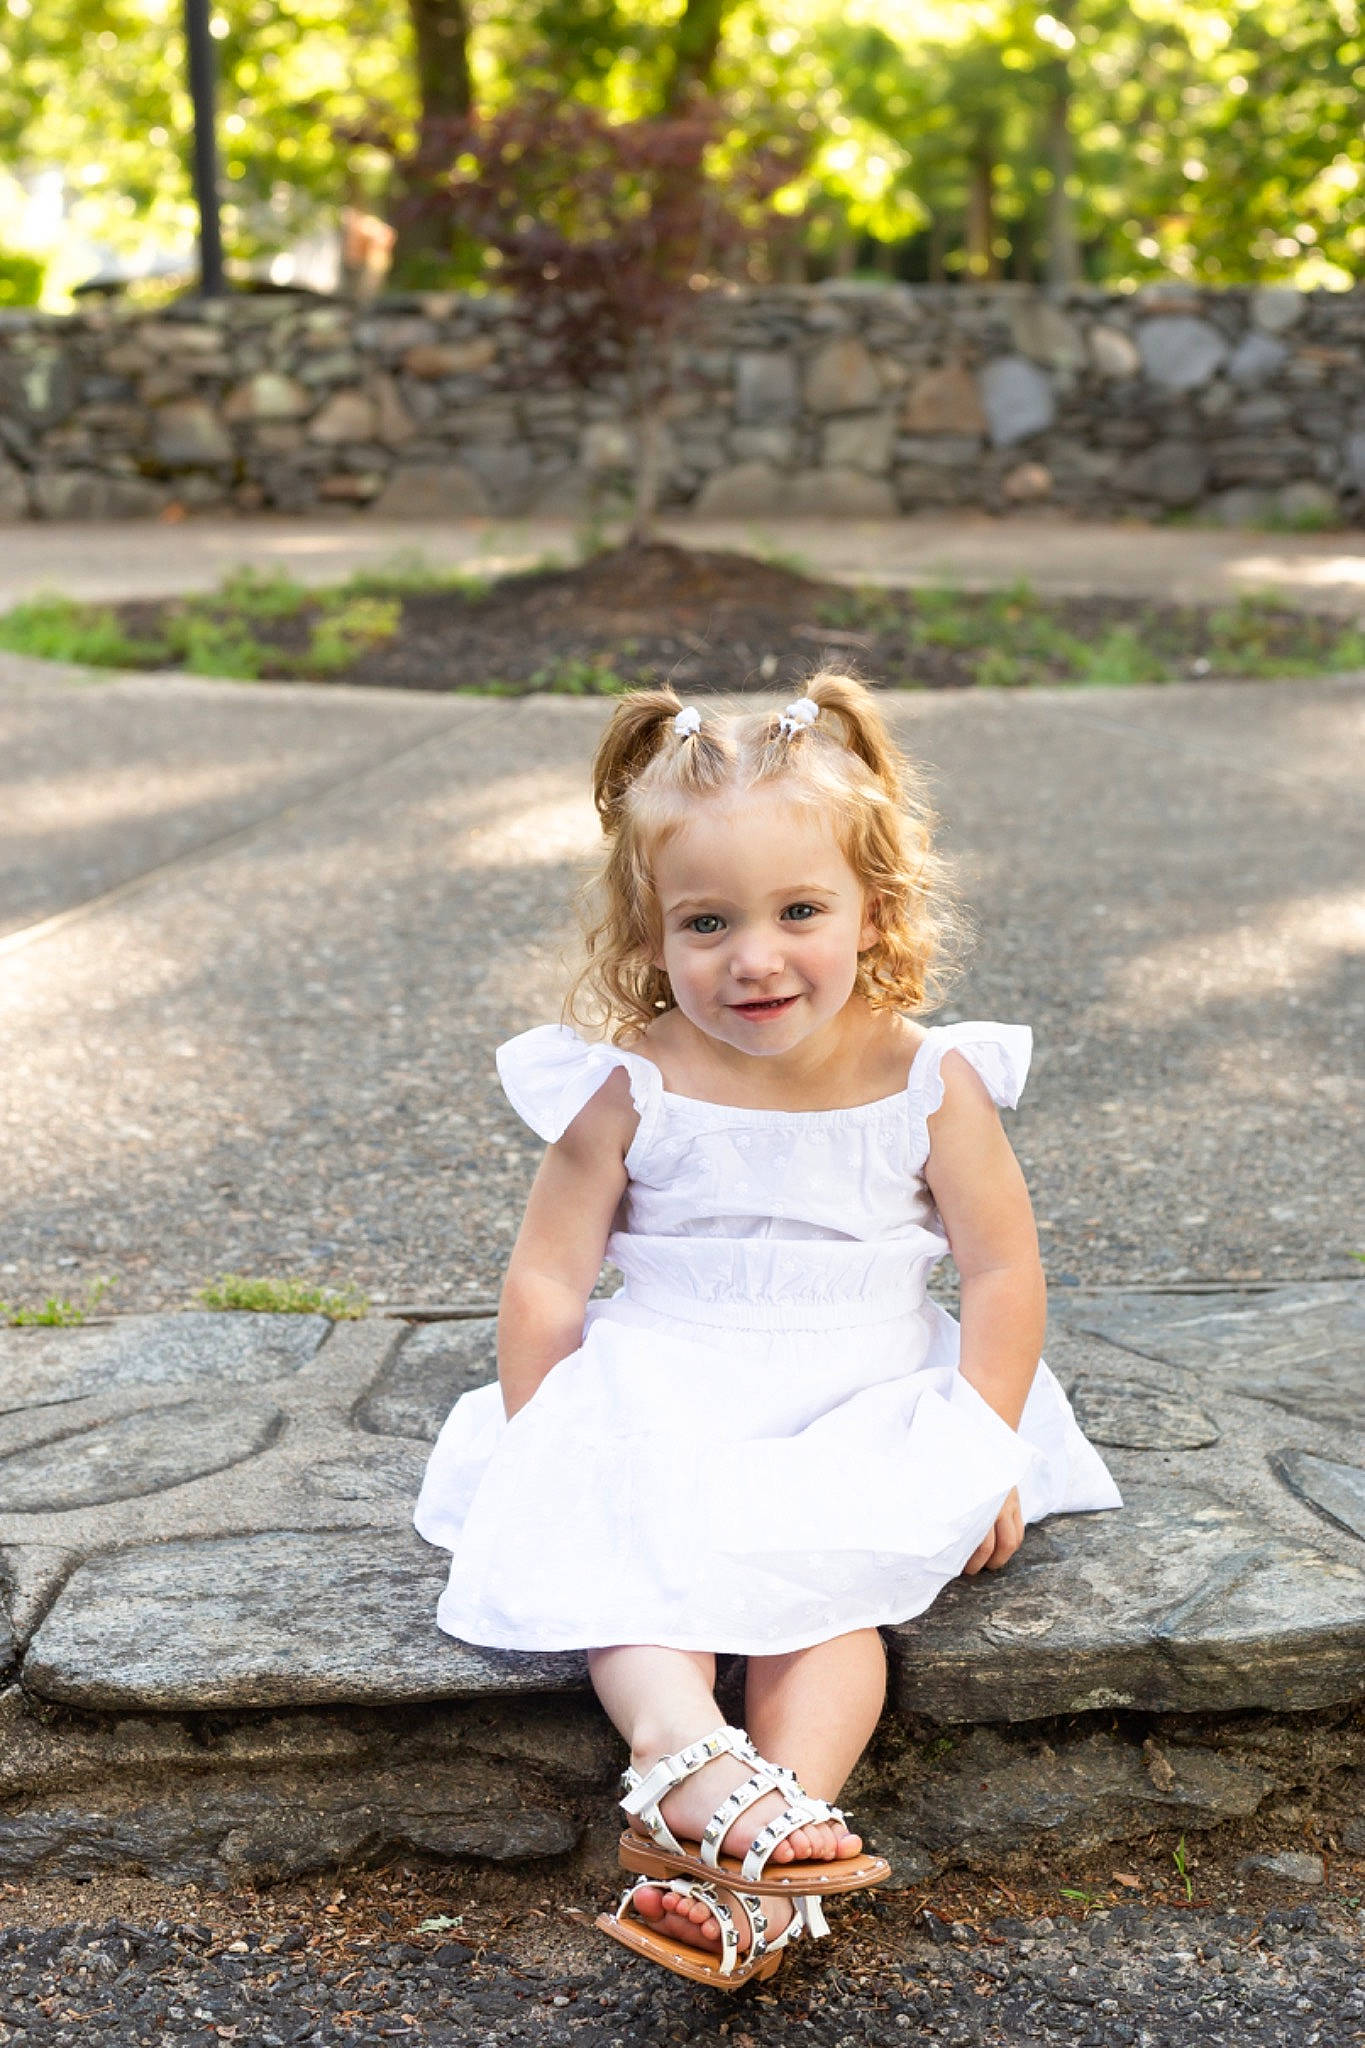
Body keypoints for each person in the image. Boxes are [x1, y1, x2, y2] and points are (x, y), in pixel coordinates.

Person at [415, 675, 1122, 1988]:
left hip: (867, 1388)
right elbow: (546, 1285)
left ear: (874, 909)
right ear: (648, 928)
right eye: (707, 922)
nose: (754, 957)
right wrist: (549, 1447)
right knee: (627, 1560)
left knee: (828, 1602)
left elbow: (1002, 1270)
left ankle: (760, 1858)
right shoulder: (628, 1082)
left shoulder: (926, 1077)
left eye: (799, 912)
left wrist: (980, 1442)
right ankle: (684, 1756)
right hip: (665, 1374)